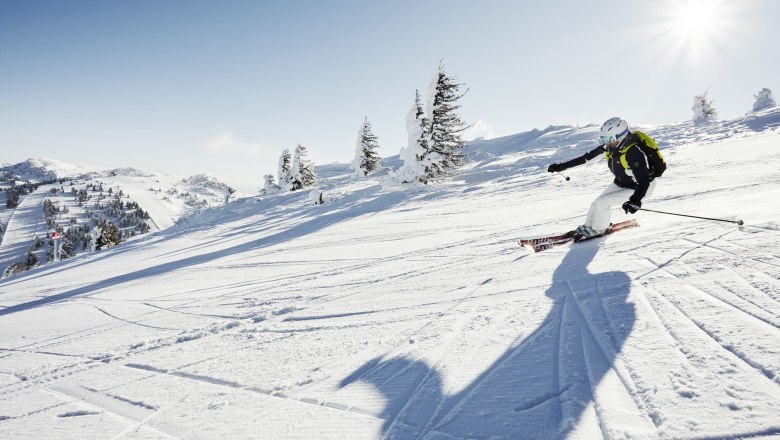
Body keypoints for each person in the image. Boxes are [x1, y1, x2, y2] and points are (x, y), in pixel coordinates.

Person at [547, 117, 666, 239]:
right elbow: (586, 159)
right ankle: (588, 227)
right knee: (596, 204)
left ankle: (598, 230)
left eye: (608, 138)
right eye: (603, 138)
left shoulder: (634, 152)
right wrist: (561, 167)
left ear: (620, 136)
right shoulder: (609, 147)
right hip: (622, 182)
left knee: (602, 203)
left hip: (641, 188)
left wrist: (636, 200)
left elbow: (644, 180)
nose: (605, 142)